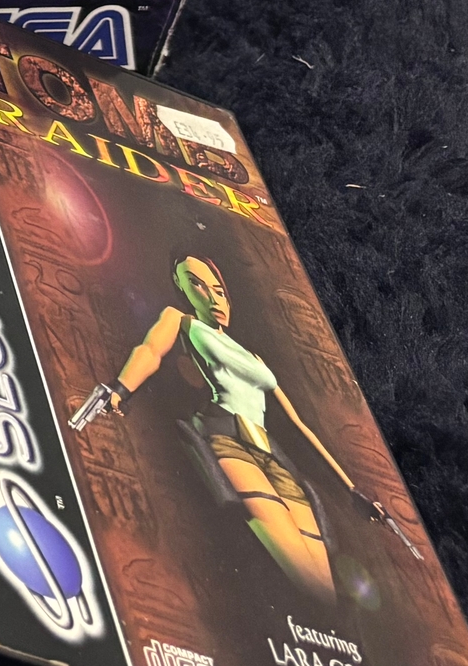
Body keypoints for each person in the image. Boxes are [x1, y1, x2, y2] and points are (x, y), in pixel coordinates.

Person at [79, 254, 401, 602]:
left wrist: (352, 490)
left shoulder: (255, 358)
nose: (212, 298)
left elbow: (298, 425)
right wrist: (120, 388)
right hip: (229, 441)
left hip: (273, 457)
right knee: (302, 571)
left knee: (324, 587)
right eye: (197, 286)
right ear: (182, 289)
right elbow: (151, 351)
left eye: (217, 289)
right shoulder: (182, 321)